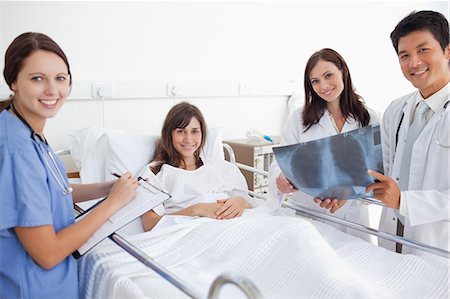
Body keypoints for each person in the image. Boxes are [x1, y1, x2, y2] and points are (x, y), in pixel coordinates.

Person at [0, 32, 139, 298]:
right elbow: (48, 253)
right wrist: (113, 204)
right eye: (38, 78)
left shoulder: (27, 130)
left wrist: (108, 188)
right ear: (13, 81)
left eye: (60, 78)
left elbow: (51, 191)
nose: (52, 90)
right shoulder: (17, 151)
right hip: (32, 289)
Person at [268, 48, 380, 240]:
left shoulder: (370, 118)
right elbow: (280, 161)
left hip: (353, 219)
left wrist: (349, 193)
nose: (324, 86)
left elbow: (378, 171)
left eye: (328, 76)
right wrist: (280, 178)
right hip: (310, 215)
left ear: (343, 71)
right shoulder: (299, 118)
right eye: (315, 81)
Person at [366, 10, 449, 256]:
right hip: (392, 238)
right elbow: (386, 172)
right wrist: (344, 193)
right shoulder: (396, 110)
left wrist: (405, 202)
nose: (414, 63)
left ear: (447, 51)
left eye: (423, 50)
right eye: (405, 55)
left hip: (437, 247)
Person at [138, 102, 258, 231]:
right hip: (199, 231)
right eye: (180, 131)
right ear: (169, 134)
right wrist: (197, 209)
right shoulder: (155, 174)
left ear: (202, 134)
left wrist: (240, 201)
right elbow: (150, 224)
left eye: (194, 131)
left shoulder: (221, 167)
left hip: (240, 224)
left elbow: (251, 204)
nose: (188, 139)